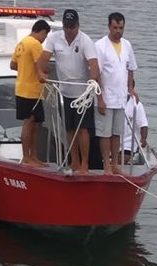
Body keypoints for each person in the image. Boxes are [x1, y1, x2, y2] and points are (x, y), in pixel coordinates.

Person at [38, 9, 99, 174]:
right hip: (64, 92)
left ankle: (85, 163)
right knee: (69, 129)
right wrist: (41, 73)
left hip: (83, 95)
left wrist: (93, 80)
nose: (69, 30)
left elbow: (94, 66)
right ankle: (75, 161)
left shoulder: (85, 40)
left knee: (83, 129)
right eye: (66, 26)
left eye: (72, 26)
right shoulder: (54, 38)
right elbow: (43, 60)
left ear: (78, 25)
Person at [95, 12, 137, 174]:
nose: (118, 31)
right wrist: (100, 98)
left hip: (121, 98)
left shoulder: (127, 45)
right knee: (105, 133)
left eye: (121, 28)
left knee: (116, 132)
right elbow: (96, 74)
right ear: (109, 27)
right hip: (105, 97)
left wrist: (130, 89)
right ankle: (106, 165)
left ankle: (115, 164)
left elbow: (131, 68)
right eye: (115, 27)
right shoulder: (100, 46)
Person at [10, 19, 51, 167]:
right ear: (41, 32)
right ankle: (27, 157)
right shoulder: (35, 44)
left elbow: (13, 64)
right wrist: (43, 74)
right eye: (45, 36)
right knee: (29, 123)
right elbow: (40, 66)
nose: (44, 39)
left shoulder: (21, 43)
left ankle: (33, 156)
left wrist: (25, 70)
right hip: (31, 91)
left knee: (36, 123)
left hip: (21, 88)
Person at [122, 80, 148, 164]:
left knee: (123, 158)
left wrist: (143, 139)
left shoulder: (137, 104)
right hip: (111, 140)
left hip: (128, 143)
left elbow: (143, 124)